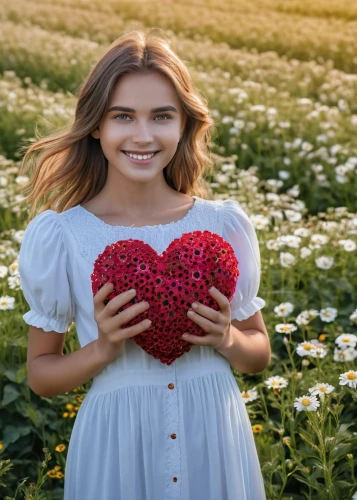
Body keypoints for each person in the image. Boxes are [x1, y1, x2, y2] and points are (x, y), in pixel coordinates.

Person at [17, 29, 270, 500]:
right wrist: (102, 349)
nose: (143, 135)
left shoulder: (222, 225)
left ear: (183, 125)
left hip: (212, 433)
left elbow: (258, 353)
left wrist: (227, 338)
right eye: (123, 116)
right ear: (97, 125)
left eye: (161, 116)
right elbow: (40, 374)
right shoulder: (64, 235)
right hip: (117, 443)